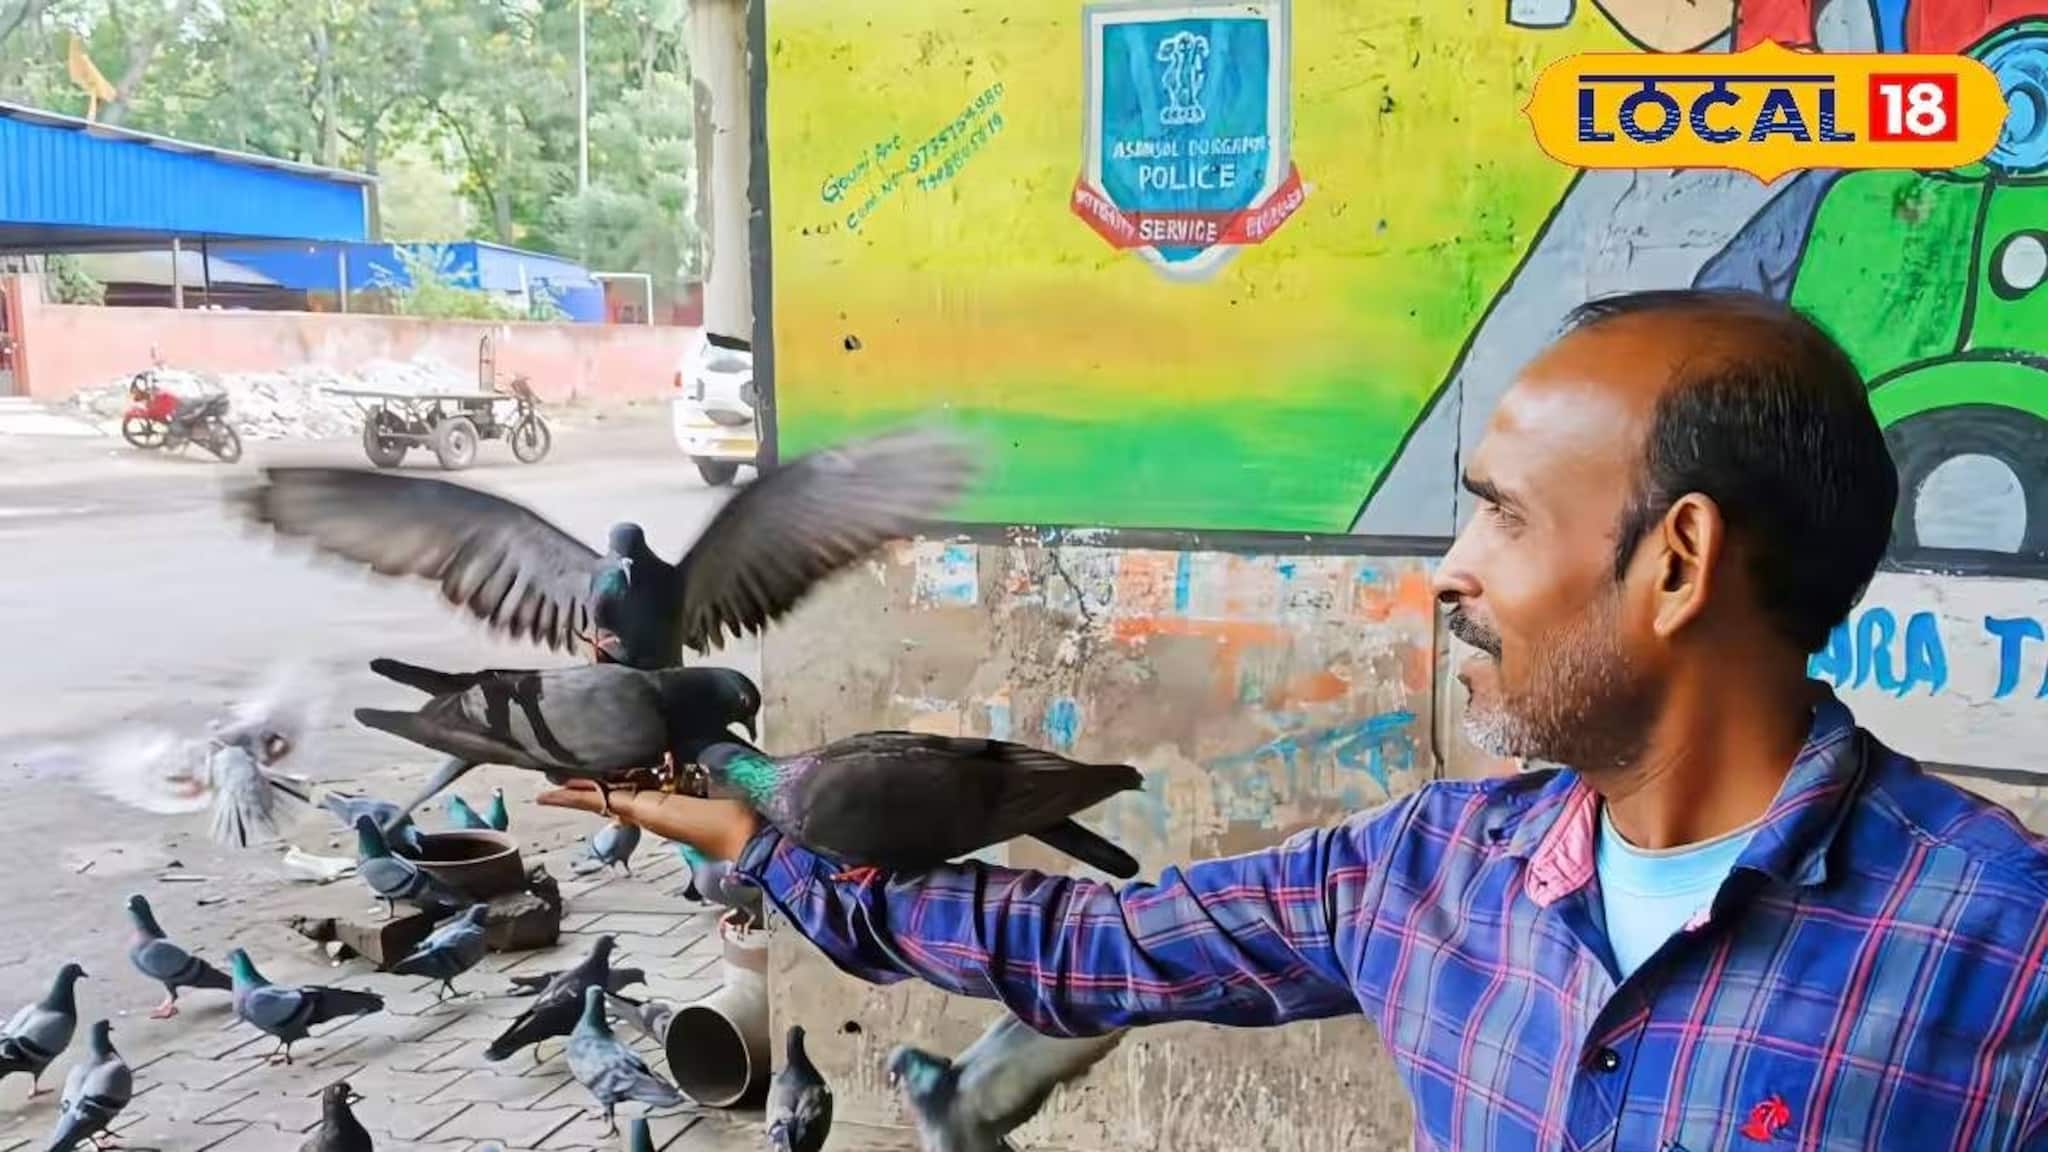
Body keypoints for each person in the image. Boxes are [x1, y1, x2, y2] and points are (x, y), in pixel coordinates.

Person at [542, 288, 2048, 1151]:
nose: (1448, 575)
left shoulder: (2008, 953)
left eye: (1501, 519)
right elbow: (1089, 951)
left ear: (1678, 562)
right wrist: (763, 841)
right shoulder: (1431, 873)